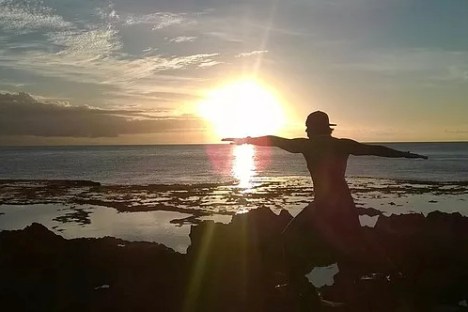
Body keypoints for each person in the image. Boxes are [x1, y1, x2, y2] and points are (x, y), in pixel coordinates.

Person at [222, 111, 427, 304]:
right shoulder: (341, 145)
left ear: (312, 129)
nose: (305, 131)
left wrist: (246, 139)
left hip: (323, 205)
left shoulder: (307, 145)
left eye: (307, 128)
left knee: (291, 238)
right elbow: (375, 150)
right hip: (341, 204)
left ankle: (302, 284)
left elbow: (274, 140)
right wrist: (405, 154)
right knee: (355, 244)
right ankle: (382, 279)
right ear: (327, 128)